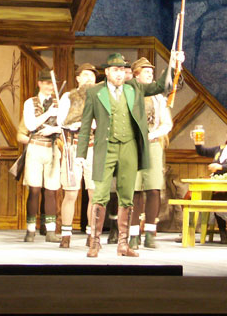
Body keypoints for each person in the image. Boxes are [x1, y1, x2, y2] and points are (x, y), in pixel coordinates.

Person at [77, 51, 181, 258]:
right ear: (106, 72)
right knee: (100, 194)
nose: (119, 74)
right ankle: (94, 242)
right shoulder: (95, 92)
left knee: (127, 195)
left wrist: (173, 64)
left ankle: (123, 244)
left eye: (122, 70)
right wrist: (81, 153)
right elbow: (86, 124)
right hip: (105, 148)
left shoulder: (133, 88)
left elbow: (161, 86)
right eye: (115, 69)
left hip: (129, 147)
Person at [128, 57, 173, 250]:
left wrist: (153, 134)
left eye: (151, 73)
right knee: (135, 191)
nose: (150, 75)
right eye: (146, 72)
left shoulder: (158, 98)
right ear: (136, 74)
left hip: (153, 145)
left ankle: (150, 232)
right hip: (133, 145)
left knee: (153, 189)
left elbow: (167, 123)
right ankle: (133, 234)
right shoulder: (129, 94)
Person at [56, 63, 98, 248]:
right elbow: (61, 120)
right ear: (78, 78)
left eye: (92, 75)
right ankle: (66, 234)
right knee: (71, 192)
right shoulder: (69, 96)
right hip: (73, 146)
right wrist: (79, 124)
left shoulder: (100, 96)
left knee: (94, 193)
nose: (89, 78)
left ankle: (92, 234)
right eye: (86, 75)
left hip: (93, 148)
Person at [22, 69, 63, 242]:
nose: (49, 87)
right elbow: (30, 125)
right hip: (35, 147)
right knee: (34, 189)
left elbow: (65, 126)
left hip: (52, 148)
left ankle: (51, 231)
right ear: (39, 83)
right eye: (46, 83)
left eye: (51, 84)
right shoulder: (30, 103)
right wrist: (48, 113)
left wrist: (53, 128)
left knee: (51, 191)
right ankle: (30, 230)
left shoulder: (60, 103)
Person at [192, 123, 227, 244]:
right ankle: (189, 230)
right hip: (213, 183)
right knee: (190, 196)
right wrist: (197, 142)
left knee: (218, 196)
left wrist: (220, 166)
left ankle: (223, 232)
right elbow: (202, 151)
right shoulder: (220, 149)